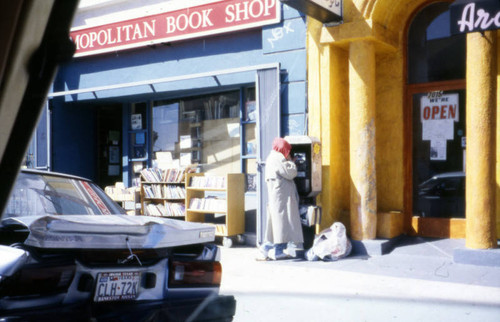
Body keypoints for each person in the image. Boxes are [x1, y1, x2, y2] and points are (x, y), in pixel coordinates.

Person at [259, 137, 304, 260]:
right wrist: (291, 162)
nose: (289, 153)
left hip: (278, 196)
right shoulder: (278, 158)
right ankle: (276, 251)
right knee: (282, 224)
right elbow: (291, 173)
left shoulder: (271, 157)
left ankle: (266, 249)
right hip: (282, 198)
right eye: (288, 150)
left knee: (277, 224)